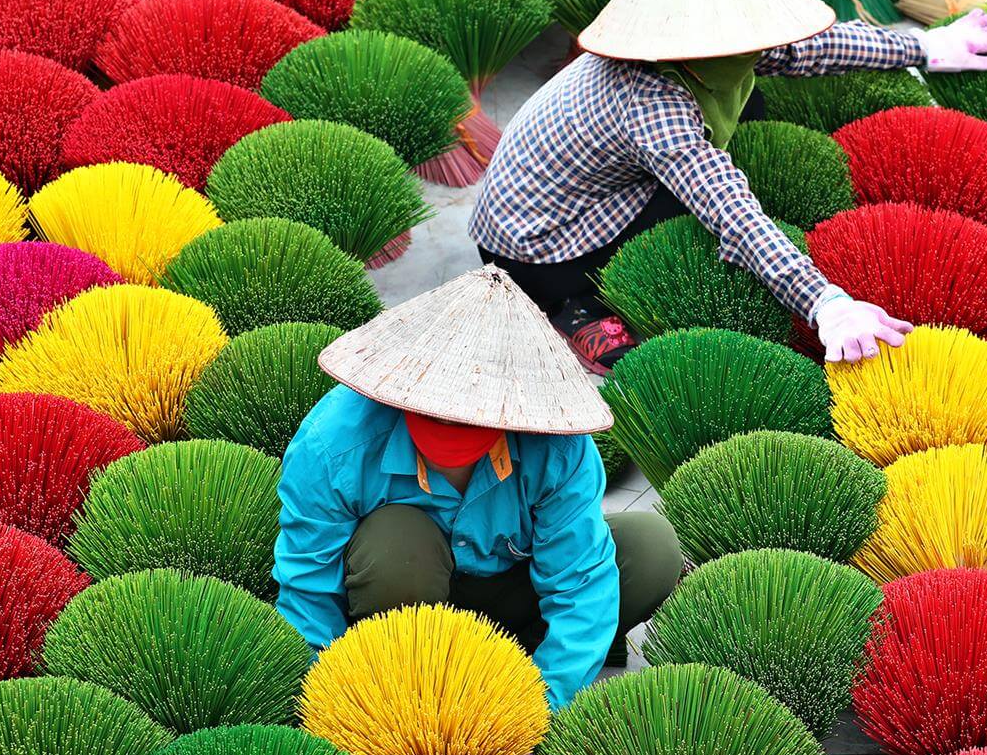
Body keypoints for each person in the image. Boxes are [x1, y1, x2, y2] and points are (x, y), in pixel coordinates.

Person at [471, 0, 987, 374]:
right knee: (696, 220)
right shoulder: (650, 103)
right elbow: (732, 213)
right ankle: (573, 306)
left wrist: (925, 46)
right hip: (539, 246)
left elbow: (815, 48)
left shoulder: (706, 46)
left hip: (589, 188)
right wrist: (826, 303)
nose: (766, 43)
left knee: (752, 101)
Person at [272, 265, 682, 710]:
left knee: (650, 549)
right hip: (402, 602)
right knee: (397, 540)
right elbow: (309, 588)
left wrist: (539, 710)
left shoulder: (559, 449)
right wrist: (330, 698)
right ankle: (409, 682)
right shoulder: (335, 443)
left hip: (513, 597)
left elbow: (579, 584)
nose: (452, 424)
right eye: (437, 414)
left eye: (471, 417)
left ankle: (511, 670)